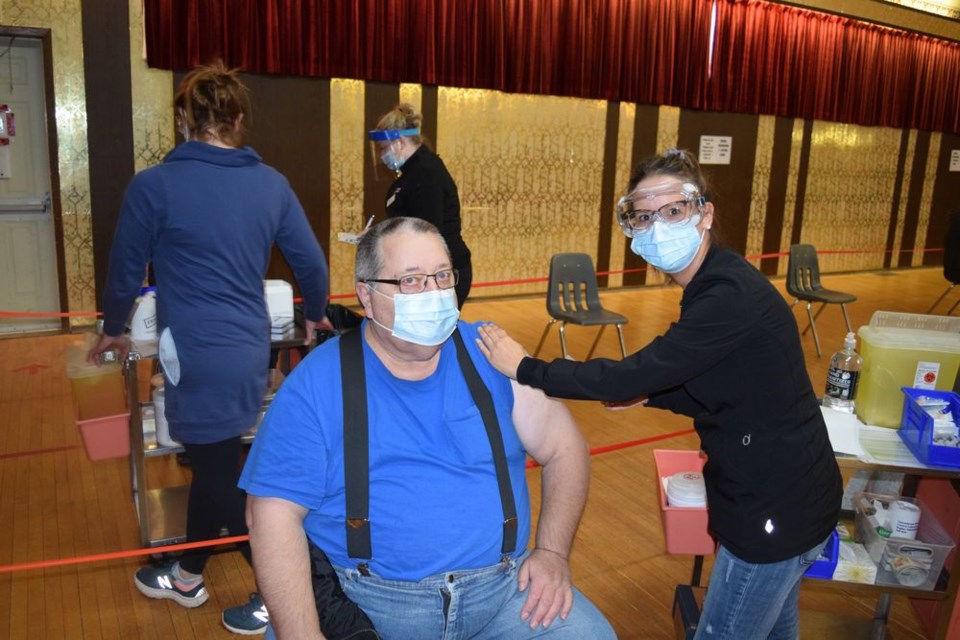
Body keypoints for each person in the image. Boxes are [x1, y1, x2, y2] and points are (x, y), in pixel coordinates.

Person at [478, 149, 843, 640]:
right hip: (797, 493)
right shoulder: (716, 283)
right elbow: (723, 385)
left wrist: (525, 367)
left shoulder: (727, 295)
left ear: (705, 213)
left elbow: (631, 373)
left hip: (773, 506)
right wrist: (651, 398)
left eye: (673, 211)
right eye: (644, 217)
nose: (658, 227)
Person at [240, 217, 616, 640]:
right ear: (366, 294)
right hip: (369, 606)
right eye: (412, 280)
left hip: (503, 594)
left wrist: (551, 552)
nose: (434, 293)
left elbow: (565, 448)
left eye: (441, 276)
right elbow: (271, 516)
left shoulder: (490, 352)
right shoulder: (317, 382)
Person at [88, 61, 332, 636]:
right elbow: (311, 264)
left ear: (182, 120)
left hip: (194, 355)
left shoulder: (154, 185)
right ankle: (191, 572)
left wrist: (112, 326)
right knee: (217, 463)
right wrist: (317, 311)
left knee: (222, 474)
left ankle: (285, 592)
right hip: (249, 348)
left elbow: (126, 268)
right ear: (239, 120)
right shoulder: (270, 184)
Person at [369, 103, 473, 308]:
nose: (382, 156)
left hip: (440, 275)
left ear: (398, 142)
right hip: (427, 272)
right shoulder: (413, 172)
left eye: (383, 149)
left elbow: (426, 232)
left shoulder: (426, 173)